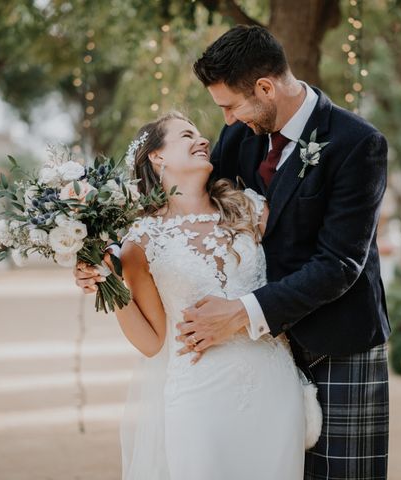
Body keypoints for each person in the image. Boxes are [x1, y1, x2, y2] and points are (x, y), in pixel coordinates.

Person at [174, 25, 391, 480]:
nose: (227, 121)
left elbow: (340, 264)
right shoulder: (241, 136)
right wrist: (113, 253)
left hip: (338, 344)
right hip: (259, 356)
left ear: (266, 88)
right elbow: (193, 203)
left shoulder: (358, 144)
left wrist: (239, 312)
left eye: (230, 106)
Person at [75, 111, 306, 479]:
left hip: (273, 389)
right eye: (186, 135)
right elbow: (153, 342)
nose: (202, 140)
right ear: (157, 156)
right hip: (199, 396)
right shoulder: (140, 241)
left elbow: (300, 275)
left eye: (200, 135)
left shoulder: (251, 208)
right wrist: (109, 284)